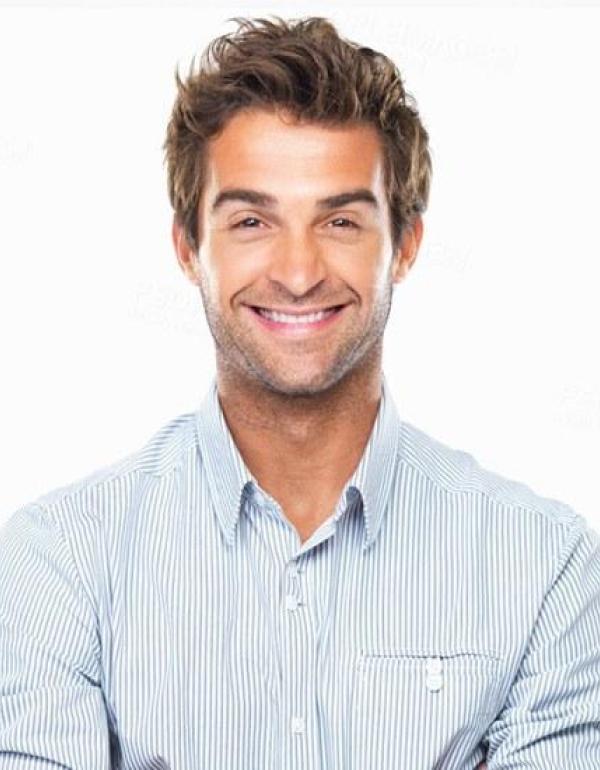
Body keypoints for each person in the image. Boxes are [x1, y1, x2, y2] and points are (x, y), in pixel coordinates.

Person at [1, 14, 599, 770]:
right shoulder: (62, 561)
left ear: (405, 245)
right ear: (188, 248)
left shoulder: (543, 566)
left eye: (340, 221)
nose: (296, 272)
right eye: (252, 221)